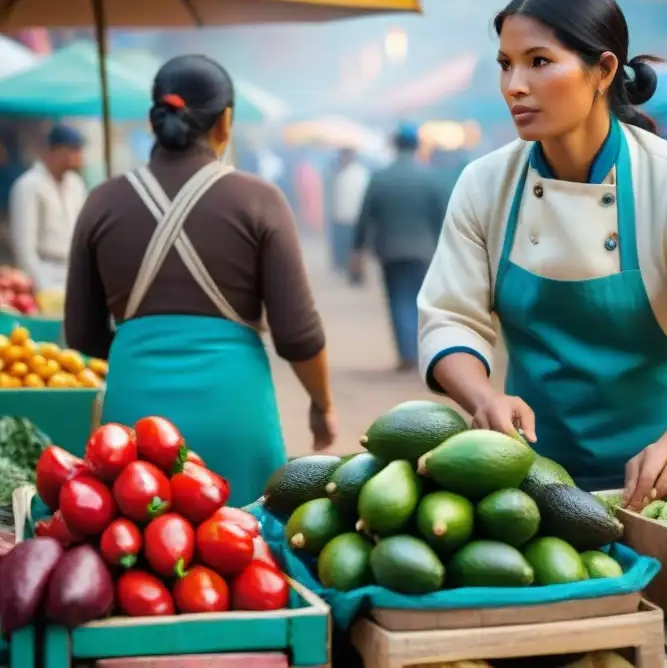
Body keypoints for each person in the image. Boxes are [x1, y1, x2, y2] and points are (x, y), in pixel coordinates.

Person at [418, 0, 667, 510]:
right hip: (531, 483)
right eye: (505, 64)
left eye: (539, 61)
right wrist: (484, 397)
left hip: (664, 487)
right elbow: (448, 317)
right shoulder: (484, 184)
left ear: (603, 71)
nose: (515, 84)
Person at [64, 55, 337, 507]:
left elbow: (83, 335)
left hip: (135, 426)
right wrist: (321, 405)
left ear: (156, 121)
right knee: (244, 556)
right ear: (225, 122)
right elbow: (298, 335)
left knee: (142, 557)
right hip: (236, 412)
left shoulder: (101, 203)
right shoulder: (260, 200)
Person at [352, 124, 447, 372]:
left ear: (394, 145)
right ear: (417, 146)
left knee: (397, 300)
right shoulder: (430, 177)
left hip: (389, 250)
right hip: (424, 251)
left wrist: (357, 251)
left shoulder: (380, 177)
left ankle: (406, 354)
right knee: (420, 300)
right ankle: (421, 351)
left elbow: (364, 217)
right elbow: (444, 218)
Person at [9, 124, 88, 292]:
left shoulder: (76, 184)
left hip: (73, 270)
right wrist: (40, 285)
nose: (78, 156)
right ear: (56, 151)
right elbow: (24, 247)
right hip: (44, 271)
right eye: (73, 150)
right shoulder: (28, 185)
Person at [328, 147, 370, 281]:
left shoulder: (360, 173)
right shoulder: (339, 173)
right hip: (341, 217)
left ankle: (356, 273)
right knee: (343, 246)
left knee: (355, 247)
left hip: (356, 217)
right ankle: (346, 270)